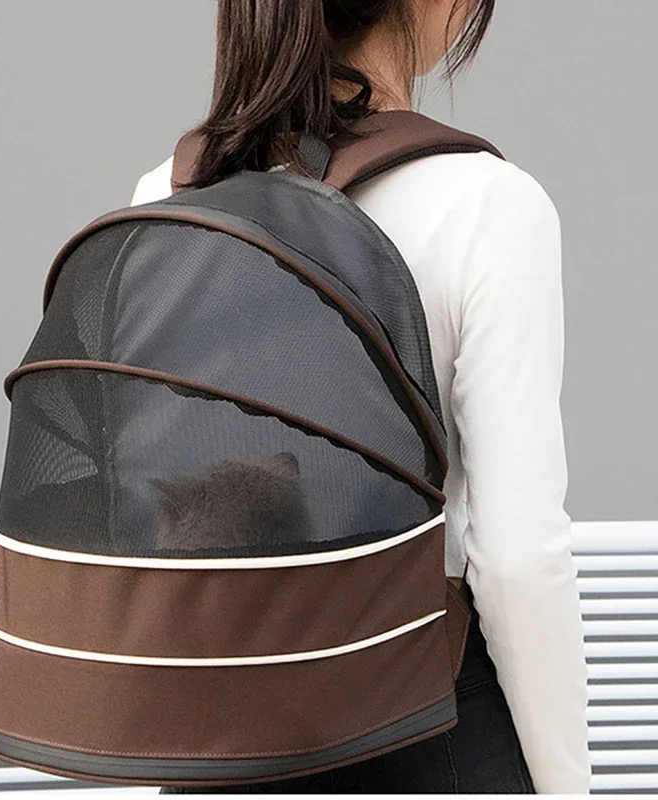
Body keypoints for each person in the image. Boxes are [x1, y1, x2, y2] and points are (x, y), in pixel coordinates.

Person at [130, 0, 591, 793]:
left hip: (221, 728)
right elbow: (517, 561)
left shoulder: (167, 193)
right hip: (425, 723)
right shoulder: (488, 204)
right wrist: (566, 782)